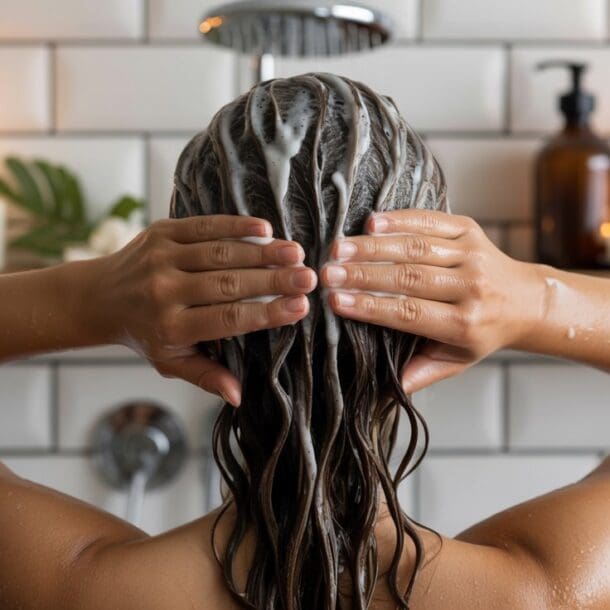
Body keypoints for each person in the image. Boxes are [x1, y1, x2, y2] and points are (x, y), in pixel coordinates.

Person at [0, 73, 607, 610]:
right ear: (424, 333)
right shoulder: (543, 589)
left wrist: (90, 299)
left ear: (199, 333)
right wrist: (536, 300)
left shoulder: (78, 589)